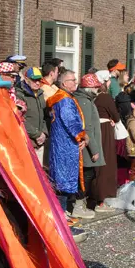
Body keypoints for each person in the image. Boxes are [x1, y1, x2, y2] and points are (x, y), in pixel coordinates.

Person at [46, 69, 89, 230]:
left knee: (62, 178)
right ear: (64, 83)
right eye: (72, 80)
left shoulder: (62, 97)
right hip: (65, 145)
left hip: (63, 143)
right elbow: (70, 121)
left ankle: (62, 212)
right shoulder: (64, 100)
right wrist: (82, 136)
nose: (75, 82)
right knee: (63, 180)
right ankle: (61, 214)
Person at [72, 73, 104, 218]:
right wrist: (94, 149)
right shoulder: (84, 102)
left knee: (86, 175)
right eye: (96, 87)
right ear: (89, 88)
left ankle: (79, 204)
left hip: (87, 144)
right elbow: (87, 127)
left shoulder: (85, 100)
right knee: (86, 176)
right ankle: (78, 206)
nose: (98, 89)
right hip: (87, 146)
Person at [93, 70, 121, 210]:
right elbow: (116, 116)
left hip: (95, 129)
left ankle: (94, 196)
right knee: (106, 163)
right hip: (104, 131)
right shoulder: (105, 97)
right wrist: (112, 119)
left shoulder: (94, 97)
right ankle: (101, 199)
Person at [16, 67, 48, 165]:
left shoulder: (40, 94)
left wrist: (44, 133)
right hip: (27, 141)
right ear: (26, 80)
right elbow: (20, 118)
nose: (37, 83)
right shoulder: (19, 95)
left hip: (40, 142)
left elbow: (44, 116)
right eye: (34, 80)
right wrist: (37, 134)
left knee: (39, 170)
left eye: (39, 80)